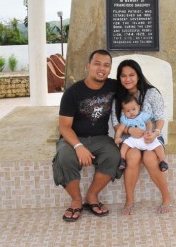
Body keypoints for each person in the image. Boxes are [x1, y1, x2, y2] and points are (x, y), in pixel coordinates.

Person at [52, 49, 120, 222]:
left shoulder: (114, 86)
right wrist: (78, 146)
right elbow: (64, 127)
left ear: (110, 69)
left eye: (106, 65)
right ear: (88, 66)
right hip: (74, 138)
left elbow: (136, 89)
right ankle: (76, 201)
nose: (101, 68)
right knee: (65, 157)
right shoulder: (72, 93)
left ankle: (92, 196)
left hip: (100, 138)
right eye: (97, 63)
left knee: (113, 155)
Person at [112, 59, 172, 215]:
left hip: (151, 137)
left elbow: (159, 117)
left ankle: (166, 197)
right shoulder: (118, 97)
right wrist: (129, 130)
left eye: (131, 75)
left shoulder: (151, 93)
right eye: (123, 75)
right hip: (130, 140)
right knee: (132, 158)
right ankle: (129, 200)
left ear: (138, 75)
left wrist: (155, 133)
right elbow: (115, 123)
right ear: (119, 78)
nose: (127, 79)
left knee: (150, 159)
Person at [114, 93, 168, 172]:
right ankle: (122, 160)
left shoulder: (143, 115)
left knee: (158, 146)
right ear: (123, 111)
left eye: (133, 109)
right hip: (134, 139)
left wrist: (149, 131)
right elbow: (120, 129)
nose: (131, 112)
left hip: (145, 138)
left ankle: (162, 161)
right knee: (125, 145)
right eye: (128, 111)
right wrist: (117, 137)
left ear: (139, 107)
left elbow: (149, 123)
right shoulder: (125, 119)